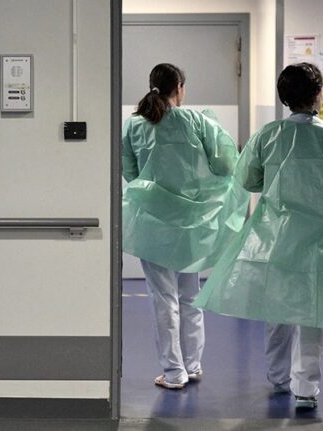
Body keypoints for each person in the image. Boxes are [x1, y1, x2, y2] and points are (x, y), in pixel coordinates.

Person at [193, 63, 323, 409]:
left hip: (276, 236)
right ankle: (305, 389)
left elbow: (248, 180)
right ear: (318, 94)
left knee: (276, 305)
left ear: (284, 96)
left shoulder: (269, 135)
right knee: (315, 311)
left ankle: (278, 376)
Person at [122, 63, 249, 390]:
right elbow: (226, 164)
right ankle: (192, 365)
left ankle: (174, 372)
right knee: (190, 296)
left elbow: (130, 172)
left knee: (163, 300)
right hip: (193, 224)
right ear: (179, 87)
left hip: (152, 225)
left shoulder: (134, 125)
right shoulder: (196, 121)